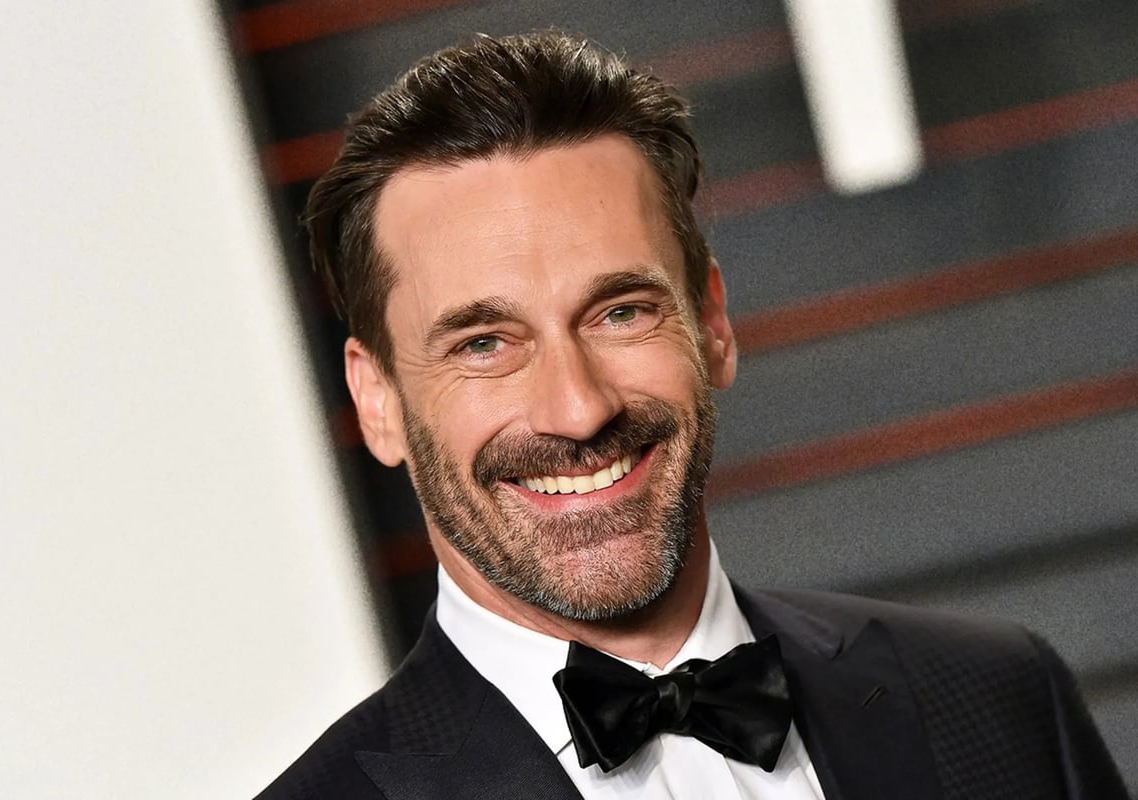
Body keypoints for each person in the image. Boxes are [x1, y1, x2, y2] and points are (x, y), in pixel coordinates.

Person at [256, 31, 1126, 800]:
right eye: (484, 343)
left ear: (712, 323)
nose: (578, 408)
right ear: (378, 401)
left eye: (621, 312)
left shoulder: (999, 700)